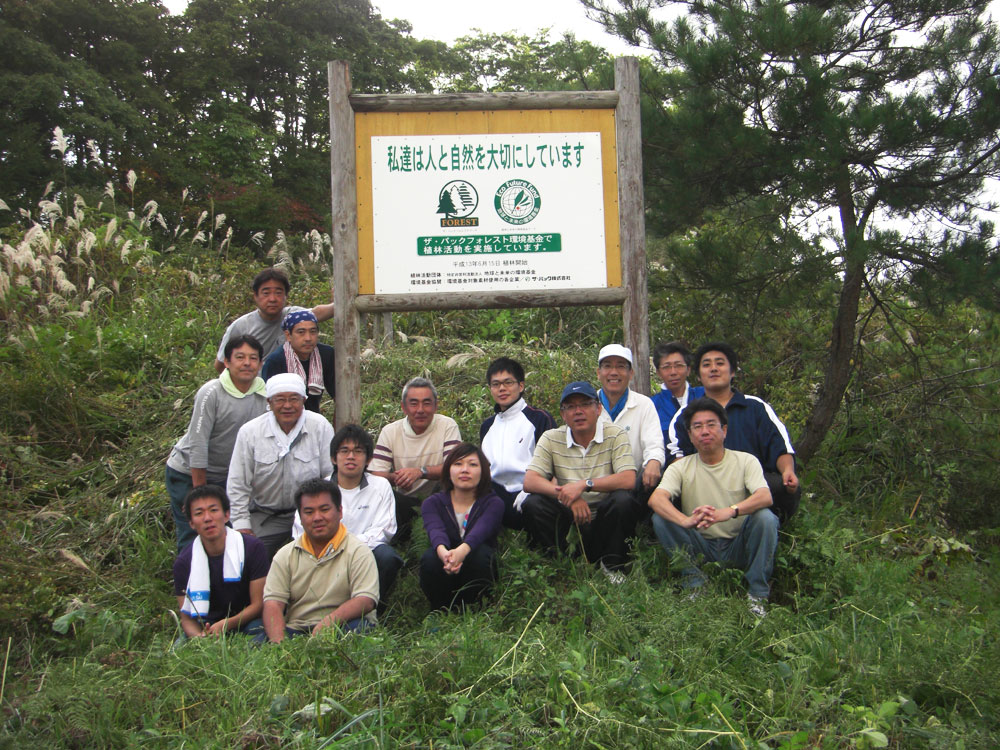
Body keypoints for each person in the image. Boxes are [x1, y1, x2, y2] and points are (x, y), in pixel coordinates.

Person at [649, 398, 778, 616]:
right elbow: (656, 499)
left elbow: (765, 496)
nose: (704, 432)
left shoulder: (746, 461)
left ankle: (757, 594)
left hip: (739, 544)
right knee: (660, 518)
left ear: (724, 430)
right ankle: (696, 583)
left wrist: (729, 512)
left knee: (765, 518)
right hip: (700, 547)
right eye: (697, 427)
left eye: (711, 425)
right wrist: (685, 520)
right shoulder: (681, 467)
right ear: (690, 435)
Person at [665, 342, 801, 522]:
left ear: (733, 371)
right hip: (705, 487)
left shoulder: (756, 407)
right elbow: (677, 458)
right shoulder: (686, 414)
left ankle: (765, 527)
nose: (713, 369)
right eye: (706, 365)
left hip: (750, 484)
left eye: (720, 363)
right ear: (698, 375)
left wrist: (788, 471)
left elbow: (780, 447)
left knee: (780, 485)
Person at [521, 381, 637, 581]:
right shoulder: (551, 438)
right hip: (570, 517)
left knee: (623, 500)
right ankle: (562, 563)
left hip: (604, 516)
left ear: (598, 408)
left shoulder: (615, 434)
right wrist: (568, 495)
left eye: (585, 404)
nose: (578, 411)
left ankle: (612, 564)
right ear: (563, 414)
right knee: (533, 504)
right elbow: (530, 481)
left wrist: (584, 485)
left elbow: (628, 479)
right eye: (571, 407)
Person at [166, 334, 268, 551]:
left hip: (227, 476)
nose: (247, 363)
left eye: (253, 358)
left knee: (228, 534)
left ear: (260, 364)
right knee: (196, 531)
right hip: (188, 473)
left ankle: (223, 581)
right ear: (227, 362)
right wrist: (199, 491)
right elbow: (198, 441)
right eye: (240, 357)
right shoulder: (211, 392)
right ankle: (189, 582)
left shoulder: (264, 394)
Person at [290, 425, 404, 607]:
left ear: (368, 459)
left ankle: (371, 608)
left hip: (365, 552)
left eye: (358, 451)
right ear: (334, 458)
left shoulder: (381, 486)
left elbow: (385, 530)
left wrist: (348, 548)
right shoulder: (318, 488)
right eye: (344, 451)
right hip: (323, 552)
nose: (351, 456)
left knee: (387, 557)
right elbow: (301, 530)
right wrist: (332, 549)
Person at [227, 373, 334, 557]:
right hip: (265, 516)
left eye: (294, 399)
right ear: (269, 402)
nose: (287, 406)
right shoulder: (250, 432)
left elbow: (331, 475)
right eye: (280, 400)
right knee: (247, 557)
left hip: (309, 515)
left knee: (320, 558)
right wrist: (242, 525)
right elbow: (238, 484)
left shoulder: (319, 426)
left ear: (304, 400)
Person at [259, 479, 379, 642]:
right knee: (261, 639)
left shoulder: (358, 551)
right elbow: (273, 603)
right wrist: (280, 646)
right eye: (309, 512)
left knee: (359, 630)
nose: (317, 518)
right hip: (297, 630)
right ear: (300, 517)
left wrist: (329, 622)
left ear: (340, 511)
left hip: (342, 625)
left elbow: (365, 600)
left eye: (324, 509)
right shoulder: (285, 555)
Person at [368, 377, 462, 542]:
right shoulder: (390, 431)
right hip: (406, 501)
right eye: (413, 403)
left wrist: (420, 472)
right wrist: (397, 478)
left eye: (426, 403)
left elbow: (455, 467)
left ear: (435, 406)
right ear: (404, 407)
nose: (420, 409)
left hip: (440, 497)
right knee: (380, 492)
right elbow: (376, 475)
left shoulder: (447, 425)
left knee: (455, 482)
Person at [173, 485, 269, 642]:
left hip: (246, 621)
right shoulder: (184, 562)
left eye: (213, 510)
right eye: (199, 513)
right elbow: (187, 618)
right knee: (179, 651)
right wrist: (200, 638)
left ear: (226, 515)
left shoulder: (252, 548)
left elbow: (258, 604)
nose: (207, 518)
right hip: (206, 626)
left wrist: (227, 624)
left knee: (260, 631)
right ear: (191, 523)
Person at [419, 443, 504, 610]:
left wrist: (461, 552)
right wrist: (446, 555)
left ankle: (477, 609)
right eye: (458, 464)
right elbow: (435, 531)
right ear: (448, 470)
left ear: (483, 471)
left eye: (472, 464)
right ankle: (440, 610)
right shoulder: (433, 503)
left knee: (482, 555)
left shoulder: (493, 503)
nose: (465, 470)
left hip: (476, 564)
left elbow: (482, 530)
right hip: (446, 563)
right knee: (430, 558)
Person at [478, 357, 555, 529]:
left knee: (534, 505)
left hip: (529, 494)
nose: (502, 389)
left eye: (508, 382)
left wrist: (530, 490)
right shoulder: (487, 426)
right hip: (495, 494)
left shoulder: (539, 418)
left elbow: (552, 464)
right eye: (496, 384)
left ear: (521, 386)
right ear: (490, 389)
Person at [214, 268, 334, 374]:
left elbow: (317, 312)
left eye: (278, 293)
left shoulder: (292, 317)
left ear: (286, 296)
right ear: (255, 296)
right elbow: (220, 365)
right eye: (266, 293)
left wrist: (338, 302)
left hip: (286, 393)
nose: (272, 299)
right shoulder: (241, 326)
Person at [595, 344, 665, 499]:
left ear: (631, 373)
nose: (614, 372)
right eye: (607, 366)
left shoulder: (644, 404)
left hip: (632, 487)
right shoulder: (587, 404)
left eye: (621, 366)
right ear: (598, 373)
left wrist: (654, 461)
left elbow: (654, 444)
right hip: (594, 485)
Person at [261, 310, 336, 415]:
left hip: (313, 418)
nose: (308, 338)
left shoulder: (326, 355)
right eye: (301, 332)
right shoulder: (276, 361)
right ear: (288, 335)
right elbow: (268, 402)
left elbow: (339, 395)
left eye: (313, 332)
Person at [650, 341, 705, 432]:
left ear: (688, 370)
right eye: (666, 367)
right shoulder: (652, 405)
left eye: (679, 366)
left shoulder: (703, 395)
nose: (673, 372)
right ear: (658, 373)